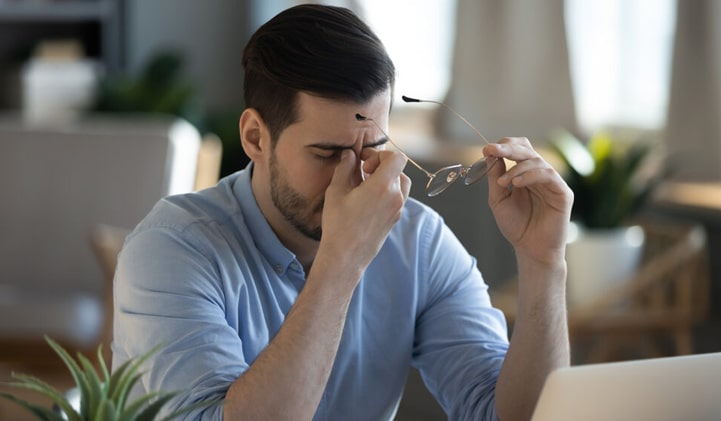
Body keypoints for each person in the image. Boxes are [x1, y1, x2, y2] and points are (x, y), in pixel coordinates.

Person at [112, 4, 573, 420]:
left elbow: (511, 416)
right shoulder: (172, 248)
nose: (353, 178)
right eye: (327, 153)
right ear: (255, 138)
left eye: (373, 148)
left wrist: (543, 263)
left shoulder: (418, 242)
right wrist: (341, 259)